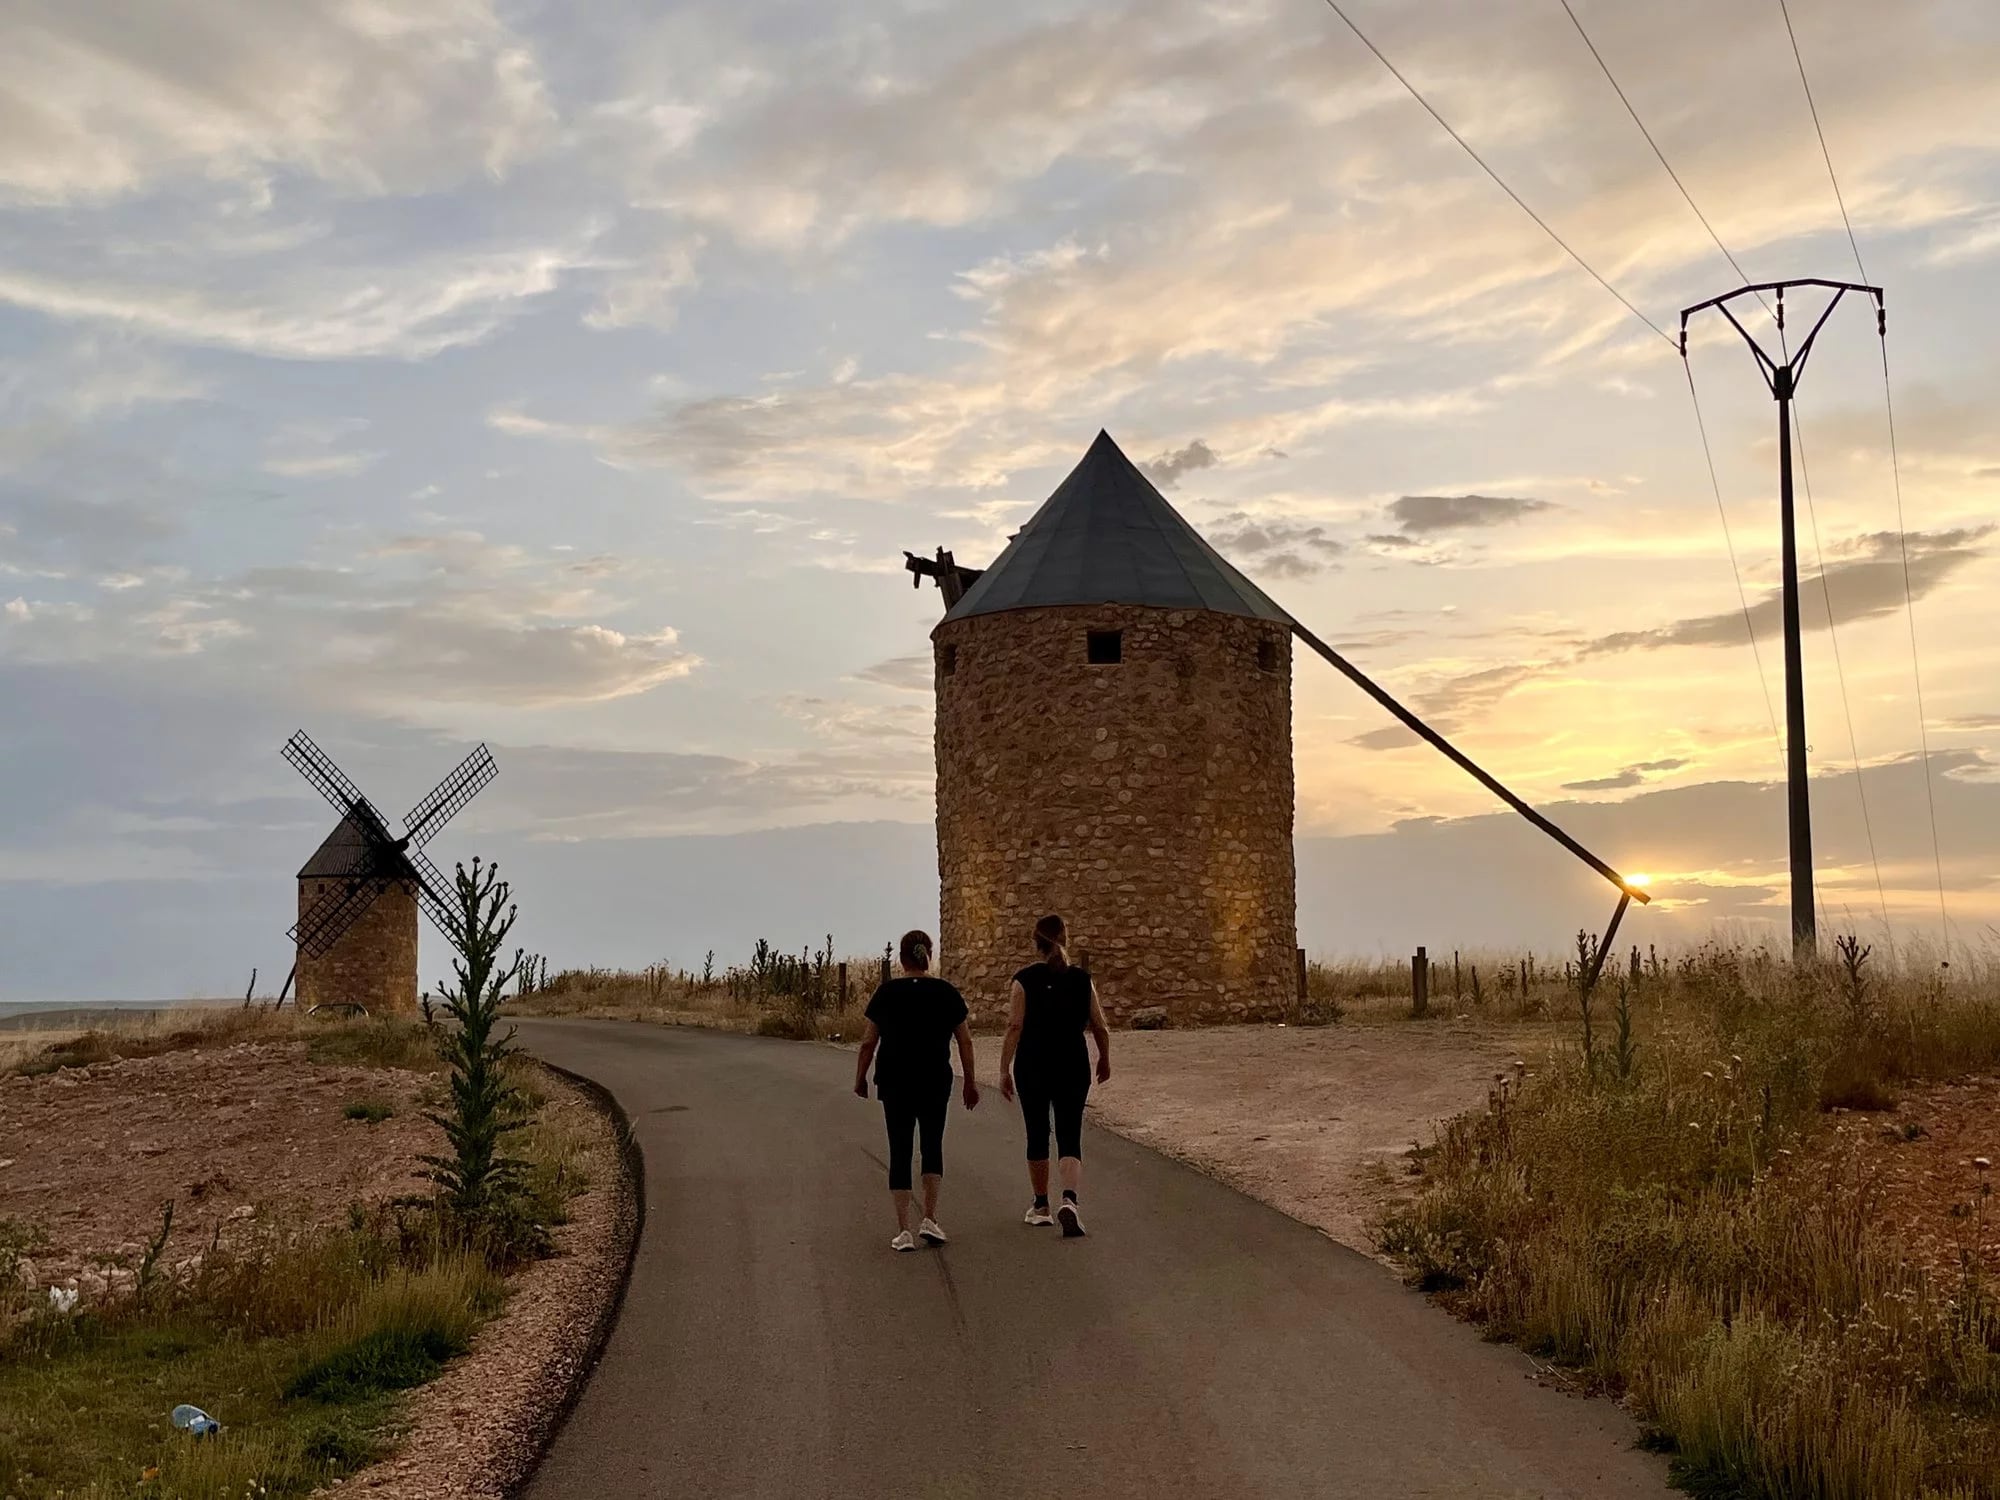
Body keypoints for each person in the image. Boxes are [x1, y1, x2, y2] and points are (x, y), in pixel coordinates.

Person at [853, 930, 979, 1252]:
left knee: (900, 1150)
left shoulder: (887, 993)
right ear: (929, 955)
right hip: (935, 1079)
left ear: (901, 957)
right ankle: (931, 1218)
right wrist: (970, 1081)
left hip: (895, 1080)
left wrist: (861, 1077)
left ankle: (903, 1230)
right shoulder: (946, 992)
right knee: (932, 1146)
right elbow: (964, 1039)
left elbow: (869, 1041)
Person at [1000, 914, 1111, 1237]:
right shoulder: (1081, 979)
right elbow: (1099, 1024)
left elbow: (1014, 1026)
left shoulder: (1023, 980)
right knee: (1069, 1133)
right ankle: (1070, 1200)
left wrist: (1004, 1068)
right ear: (1065, 939)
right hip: (1073, 1063)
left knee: (1037, 1132)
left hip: (1033, 1063)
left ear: (1035, 943)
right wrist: (1104, 1058)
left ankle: (1041, 1206)